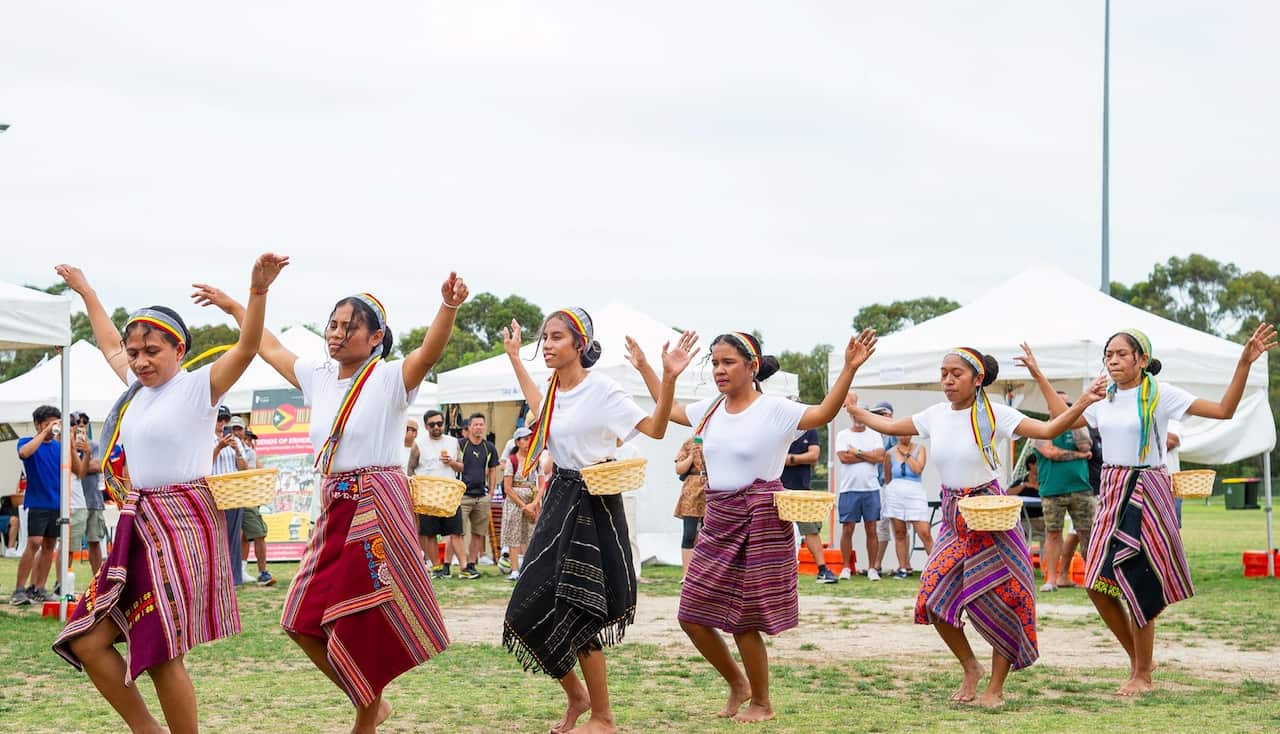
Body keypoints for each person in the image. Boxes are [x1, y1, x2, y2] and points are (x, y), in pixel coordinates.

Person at [194, 274, 465, 732]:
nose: (336, 335)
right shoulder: (318, 377)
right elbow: (269, 345)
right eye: (332, 325)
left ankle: (364, 720)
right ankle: (370, 702)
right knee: (299, 619)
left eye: (348, 327)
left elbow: (429, 353)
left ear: (376, 338)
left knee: (361, 616)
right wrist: (239, 305)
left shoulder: (389, 378)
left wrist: (447, 308)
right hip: (334, 503)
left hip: (377, 504)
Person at [51, 255, 286, 732]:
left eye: (152, 350)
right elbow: (107, 344)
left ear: (179, 350)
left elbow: (246, 347)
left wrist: (255, 294)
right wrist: (87, 291)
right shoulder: (135, 391)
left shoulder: (199, 387)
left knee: (159, 652)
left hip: (183, 525)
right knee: (88, 642)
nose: (140, 360)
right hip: (138, 524)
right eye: (135, 352)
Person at [630, 328, 878, 724]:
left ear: (752, 366)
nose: (719, 370)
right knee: (691, 615)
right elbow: (670, 408)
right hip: (718, 518)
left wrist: (848, 369)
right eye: (714, 363)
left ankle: (762, 701)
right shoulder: (710, 408)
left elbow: (824, 414)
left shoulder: (775, 409)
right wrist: (651, 368)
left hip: (760, 520)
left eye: (728, 362)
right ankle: (738, 684)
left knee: (744, 619)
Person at [1019, 323, 1277, 696]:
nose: (1113, 361)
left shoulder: (1161, 394)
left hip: (1147, 490)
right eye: (1109, 355)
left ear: (1142, 359)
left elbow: (1223, 410)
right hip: (1111, 490)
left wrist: (1243, 363)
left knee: (1139, 582)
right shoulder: (1102, 397)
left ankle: (1142, 674)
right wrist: (1040, 375)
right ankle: (1140, 659)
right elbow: (1066, 418)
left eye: (1122, 354)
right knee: (1095, 584)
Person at [850, 347, 1105, 707]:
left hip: (992, 513)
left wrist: (1081, 403)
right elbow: (891, 426)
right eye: (944, 373)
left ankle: (995, 687)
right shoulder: (935, 415)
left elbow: (1050, 428)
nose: (948, 380)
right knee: (933, 597)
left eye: (956, 373)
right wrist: (854, 409)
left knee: (1010, 597)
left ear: (977, 378)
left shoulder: (996, 414)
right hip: (956, 515)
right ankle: (971, 667)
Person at [501, 309, 695, 734]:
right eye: (544, 338)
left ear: (579, 343)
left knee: (579, 606)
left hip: (594, 501)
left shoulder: (603, 390)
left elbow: (657, 429)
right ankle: (577, 695)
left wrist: (667, 377)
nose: (547, 345)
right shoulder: (553, 390)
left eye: (556, 337)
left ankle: (603, 716)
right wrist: (515, 358)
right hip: (558, 501)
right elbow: (541, 411)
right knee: (523, 609)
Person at [13, 405, 86, 605]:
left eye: (55, 424)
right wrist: (45, 432)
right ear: (37, 424)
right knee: (34, 542)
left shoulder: (60, 447)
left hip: (57, 503)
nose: (53, 428)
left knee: (49, 546)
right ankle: (19, 589)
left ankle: (39, 588)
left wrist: (71, 445)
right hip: (37, 502)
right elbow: (24, 454)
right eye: (48, 424)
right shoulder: (28, 441)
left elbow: (79, 471)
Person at [1033, 392, 1096, 592]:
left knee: (1088, 533)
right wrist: (1079, 455)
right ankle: (1052, 580)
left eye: (1069, 403)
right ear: (1049, 407)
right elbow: (1050, 453)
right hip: (1052, 489)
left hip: (1081, 487)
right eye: (1060, 403)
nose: (1065, 406)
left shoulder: (1079, 428)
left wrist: (1071, 419)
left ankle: (1094, 578)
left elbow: (1086, 445)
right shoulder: (1041, 429)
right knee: (1053, 534)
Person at [835, 397, 885, 580]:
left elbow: (880, 457)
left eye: (860, 413)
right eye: (854, 413)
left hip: (871, 489)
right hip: (849, 489)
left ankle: (872, 568)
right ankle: (846, 567)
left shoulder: (874, 434)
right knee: (847, 529)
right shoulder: (843, 435)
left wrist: (857, 452)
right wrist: (868, 455)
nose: (858, 417)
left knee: (871, 528)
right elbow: (843, 458)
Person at [779, 407, 830, 583]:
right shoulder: (778, 428)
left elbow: (814, 456)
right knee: (774, 532)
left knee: (810, 530)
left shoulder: (811, 429)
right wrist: (799, 458)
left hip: (801, 489)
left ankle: (823, 570)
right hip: (778, 489)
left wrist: (788, 459)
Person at [415, 410, 466, 575]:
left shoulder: (452, 442)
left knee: (456, 531)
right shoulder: (419, 444)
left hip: (448, 494)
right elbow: (410, 468)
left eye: (439, 423)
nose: (436, 427)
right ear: (425, 426)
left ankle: (465, 567)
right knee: (429, 533)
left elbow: (461, 466)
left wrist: (451, 462)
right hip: (427, 494)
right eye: (432, 425)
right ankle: (437, 566)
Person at [881, 430, 932, 579]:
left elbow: (917, 469)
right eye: (901, 434)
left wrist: (906, 454)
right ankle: (903, 567)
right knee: (899, 532)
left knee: (924, 532)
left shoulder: (920, 449)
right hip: (896, 493)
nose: (904, 436)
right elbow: (887, 477)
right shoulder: (889, 453)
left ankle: (937, 566)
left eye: (907, 433)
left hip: (915, 492)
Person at [456, 413, 499, 579]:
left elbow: (493, 469)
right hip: (463, 495)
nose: (479, 428)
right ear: (469, 427)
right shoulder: (461, 445)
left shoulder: (489, 447)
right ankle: (462, 564)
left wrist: (492, 491)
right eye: (476, 425)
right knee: (458, 532)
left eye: (482, 424)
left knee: (478, 533)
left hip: (482, 496)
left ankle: (472, 564)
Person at [212, 407, 250, 585]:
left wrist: (236, 451)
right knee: (218, 537)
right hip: (215, 494)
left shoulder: (236, 441)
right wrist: (219, 447)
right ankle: (219, 577)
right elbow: (204, 464)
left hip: (234, 493)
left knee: (234, 536)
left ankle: (234, 578)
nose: (222, 424)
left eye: (225, 419)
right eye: (219, 419)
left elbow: (244, 468)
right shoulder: (205, 439)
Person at [235, 419, 275, 587]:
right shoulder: (242, 450)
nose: (249, 440)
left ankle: (245, 570)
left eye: (250, 437)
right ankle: (259, 572)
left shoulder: (248, 451)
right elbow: (252, 470)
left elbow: (255, 470)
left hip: (247, 496)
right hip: (240, 496)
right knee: (255, 533)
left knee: (248, 535)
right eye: (235, 429)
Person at [500, 427, 542, 581]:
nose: (528, 442)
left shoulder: (535, 460)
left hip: (532, 499)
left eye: (530, 439)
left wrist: (535, 503)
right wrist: (523, 506)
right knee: (514, 535)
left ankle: (527, 567)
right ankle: (515, 569)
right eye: (524, 439)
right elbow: (508, 488)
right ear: (517, 442)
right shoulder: (512, 460)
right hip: (515, 503)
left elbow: (542, 483)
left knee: (529, 534)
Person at [70, 412, 107, 576]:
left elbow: (98, 466)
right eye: (78, 422)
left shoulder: (95, 445)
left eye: (85, 422)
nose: (81, 425)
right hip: (73, 501)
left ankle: (97, 579)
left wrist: (80, 465)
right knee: (70, 544)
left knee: (94, 541)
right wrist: (81, 466)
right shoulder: (67, 446)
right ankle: (63, 582)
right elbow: (78, 469)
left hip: (92, 499)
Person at [671, 436, 707, 582]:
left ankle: (704, 573)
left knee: (708, 534)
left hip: (712, 489)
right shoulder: (689, 442)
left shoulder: (719, 439)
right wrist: (692, 455)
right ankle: (687, 574)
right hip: (692, 490)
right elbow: (679, 469)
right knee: (689, 533)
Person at [868, 401, 897, 575]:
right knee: (881, 525)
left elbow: (884, 457)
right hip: (877, 484)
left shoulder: (892, 434)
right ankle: (876, 565)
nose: (879, 418)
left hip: (890, 484)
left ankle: (902, 565)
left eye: (883, 414)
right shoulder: (872, 434)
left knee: (897, 524)